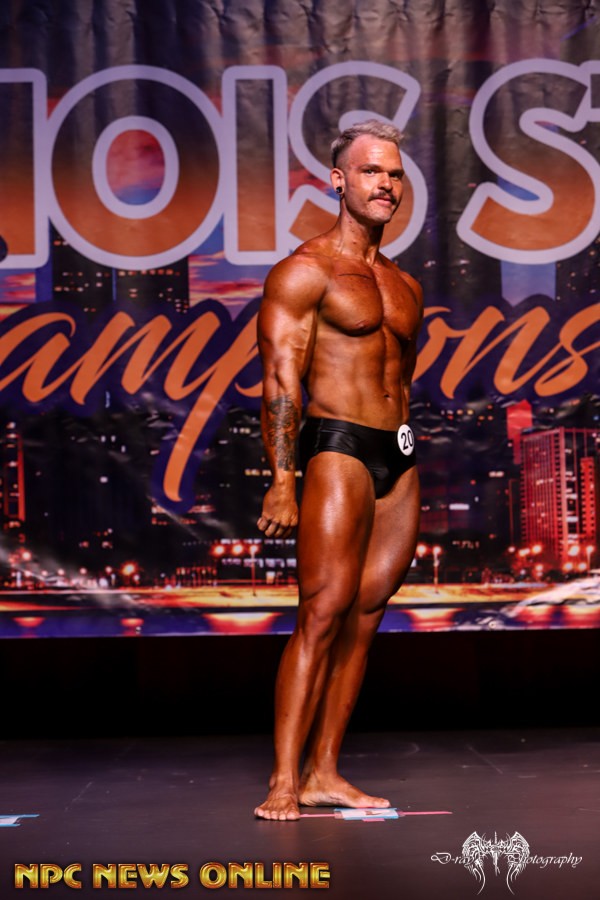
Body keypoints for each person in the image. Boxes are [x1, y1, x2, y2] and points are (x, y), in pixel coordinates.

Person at [255, 119, 423, 821]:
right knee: (323, 611)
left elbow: (400, 380)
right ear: (338, 180)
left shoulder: (405, 284)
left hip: (398, 454)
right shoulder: (306, 269)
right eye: (371, 171)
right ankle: (282, 781)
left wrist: (405, 448)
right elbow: (280, 381)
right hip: (336, 445)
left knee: (367, 615)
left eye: (394, 173)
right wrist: (283, 479)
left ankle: (324, 770)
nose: (385, 184)